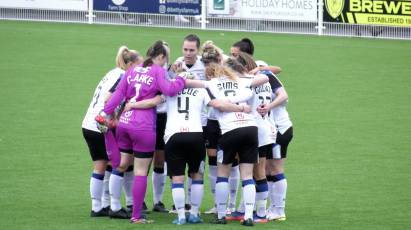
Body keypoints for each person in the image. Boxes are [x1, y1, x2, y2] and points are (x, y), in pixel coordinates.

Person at [98, 40, 186, 224]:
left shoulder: (132, 70)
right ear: (160, 56)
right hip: (143, 126)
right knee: (140, 171)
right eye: (165, 58)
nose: (165, 62)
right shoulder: (158, 71)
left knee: (120, 165)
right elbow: (169, 90)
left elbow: (117, 96)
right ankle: (136, 215)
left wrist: (105, 113)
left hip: (125, 122)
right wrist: (181, 79)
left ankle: (115, 206)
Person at [185, 62, 269, 226]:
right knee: (247, 175)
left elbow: (188, 83)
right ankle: (249, 216)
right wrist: (247, 77)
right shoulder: (240, 80)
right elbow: (265, 78)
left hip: (230, 130)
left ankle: (221, 214)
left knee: (223, 173)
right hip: (250, 128)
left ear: (211, 74)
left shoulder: (211, 83)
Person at [81, 46, 142, 217]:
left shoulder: (112, 72)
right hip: (101, 124)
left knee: (101, 165)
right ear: (130, 64)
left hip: (89, 123)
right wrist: (117, 117)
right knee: (114, 163)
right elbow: (109, 98)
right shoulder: (123, 76)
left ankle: (99, 206)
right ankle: (113, 207)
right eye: (139, 66)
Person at [168, 34, 205, 212]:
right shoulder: (176, 64)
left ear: (198, 50)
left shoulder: (205, 65)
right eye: (185, 49)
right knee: (177, 166)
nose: (188, 53)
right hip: (179, 123)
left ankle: (191, 203)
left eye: (191, 50)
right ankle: (181, 204)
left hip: (201, 122)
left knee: (196, 167)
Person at [256, 62, 293, 222]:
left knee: (276, 169)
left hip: (280, 129)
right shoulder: (258, 74)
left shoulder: (265, 75)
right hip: (272, 130)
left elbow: (284, 96)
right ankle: (273, 208)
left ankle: (279, 210)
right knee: (268, 170)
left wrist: (268, 106)